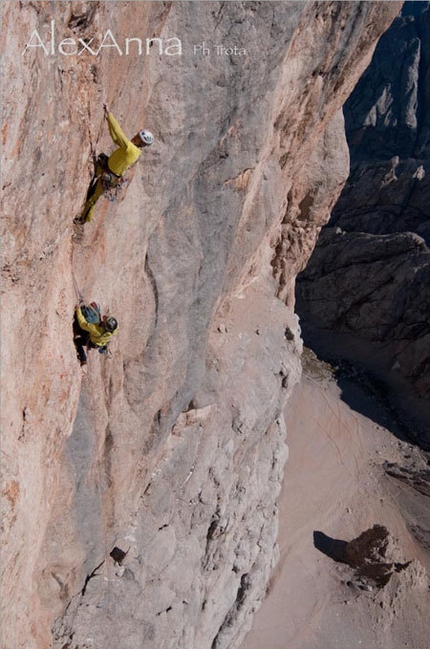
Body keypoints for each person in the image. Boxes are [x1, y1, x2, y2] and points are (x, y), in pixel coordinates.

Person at [76, 103, 154, 223]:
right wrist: (108, 120)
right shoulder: (133, 149)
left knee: (93, 197)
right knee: (93, 187)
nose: (135, 136)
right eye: (137, 135)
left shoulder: (131, 150)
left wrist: (109, 114)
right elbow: (115, 138)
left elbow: (118, 133)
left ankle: (82, 219)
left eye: (138, 137)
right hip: (108, 168)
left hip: (109, 175)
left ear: (142, 143)